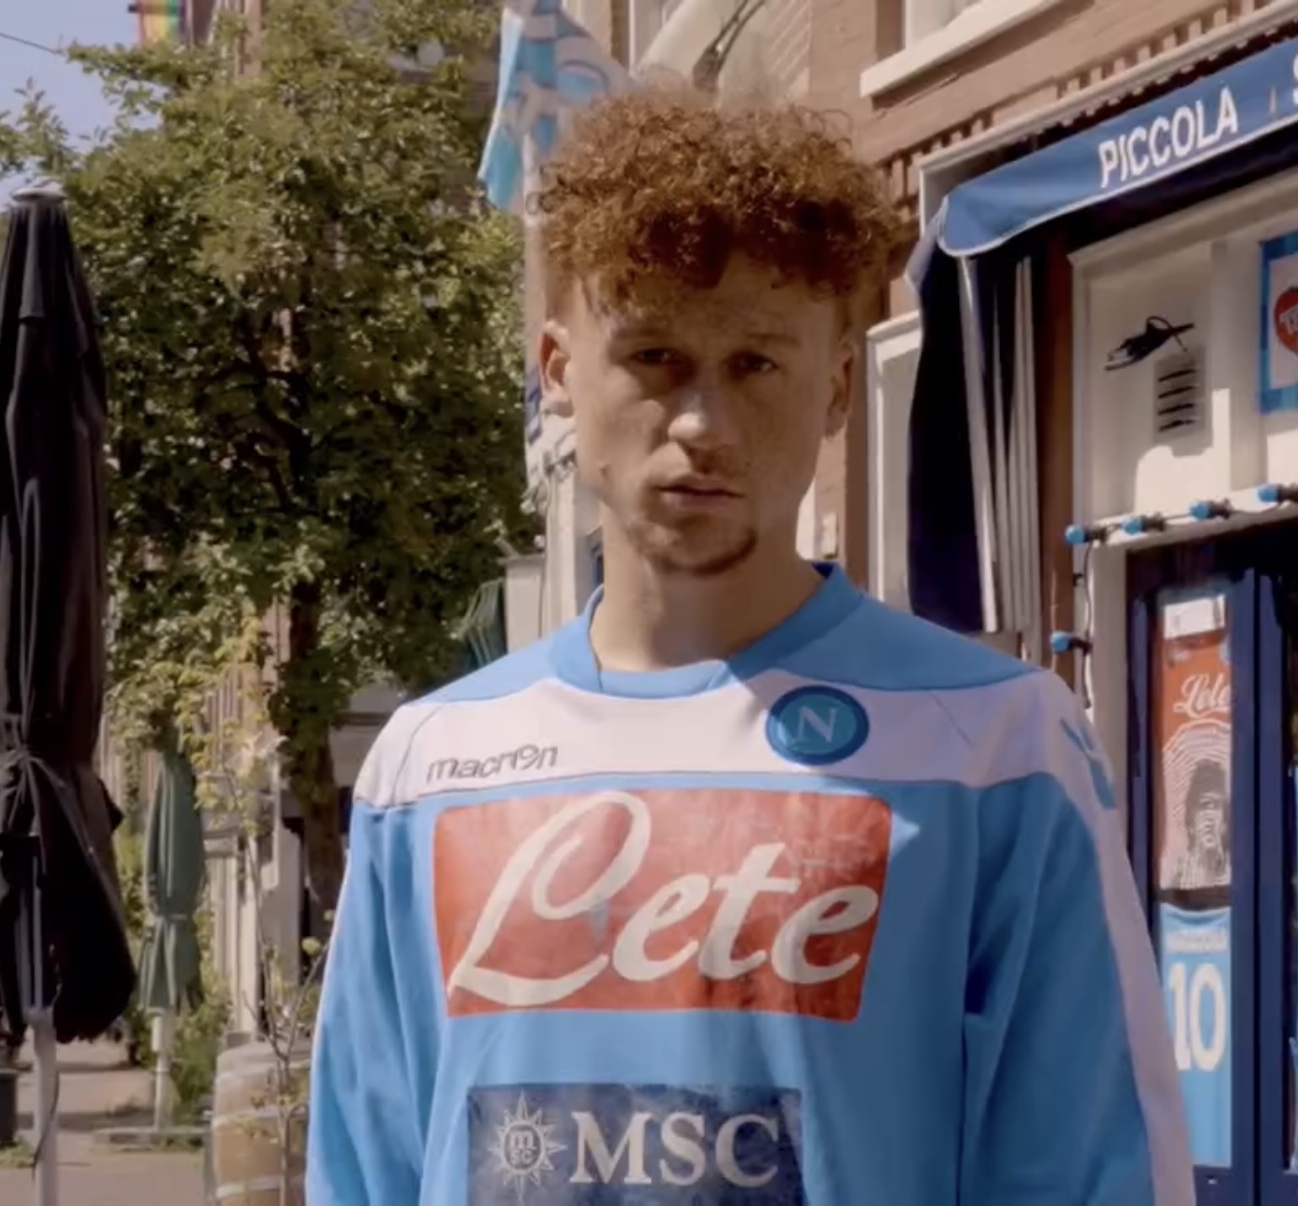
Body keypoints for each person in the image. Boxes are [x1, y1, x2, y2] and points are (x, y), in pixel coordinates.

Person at [308, 83, 1190, 1205]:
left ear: (837, 385)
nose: (702, 425)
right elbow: (364, 1167)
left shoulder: (996, 748)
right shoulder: (429, 768)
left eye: (756, 365)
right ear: (558, 371)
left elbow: (1087, 1169)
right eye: (654, 357)